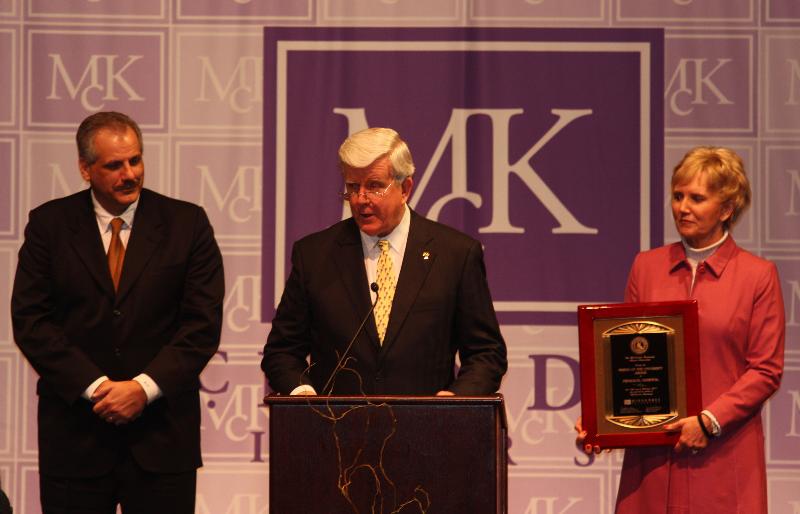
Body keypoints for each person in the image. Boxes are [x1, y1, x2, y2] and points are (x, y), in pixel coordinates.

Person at [11, 111, 225, 514]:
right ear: (85, 169)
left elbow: (201, 325)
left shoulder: (187, 224)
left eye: (136, 160)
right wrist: (97, 389)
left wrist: (143, 388)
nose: (130, 174)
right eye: (114, 165)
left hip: (163, 437)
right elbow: (32, 321)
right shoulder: (48, 225)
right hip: (75, 436)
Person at [576, 146, 785, 513]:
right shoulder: (646, 266)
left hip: (723, 455)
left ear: (726, 209)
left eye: (697, 198)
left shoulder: (757, 276)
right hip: (652, 462)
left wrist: (709, 421)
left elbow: (766, 370)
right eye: (678, 195)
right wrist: (603, 421)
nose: (682, 207)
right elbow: (625, 358)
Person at [262, 127, 507, 396]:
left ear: (405, 188)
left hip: (428, 429)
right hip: (334, 428)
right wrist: (302, 394)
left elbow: (486, 353)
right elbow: (282, 351)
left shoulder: (455, 254)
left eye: (375, 186)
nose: (360, 200)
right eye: (353, 187)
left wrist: (457, 400)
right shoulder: (314, 255)